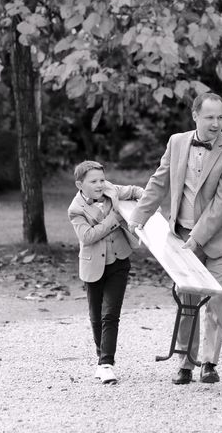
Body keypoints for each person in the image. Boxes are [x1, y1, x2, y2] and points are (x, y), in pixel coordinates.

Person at [128, 92, 222, 385]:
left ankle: (209, 362)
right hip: (180, 235)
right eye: (209, 117)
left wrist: (197, 238)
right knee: (187, 300)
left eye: (220, 117)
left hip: (220, 240)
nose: (216, 123)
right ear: (195, 116)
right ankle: (185, 363)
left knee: (217, 298)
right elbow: (158, 181)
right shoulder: (177, 142)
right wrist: (138, 217)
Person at [67, 160, 143, 384]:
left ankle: (106, 363)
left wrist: (147, 205)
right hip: (92, 266)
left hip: (119, 260)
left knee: (110, 314)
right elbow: (88, 236)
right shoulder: (75, 209)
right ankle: (102, 357)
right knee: (96, 316)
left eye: (102, 179)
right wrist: (115, 218)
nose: (100, 184)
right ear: (80, 184)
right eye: (94, 181)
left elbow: (137, 191)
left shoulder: (112, 190)